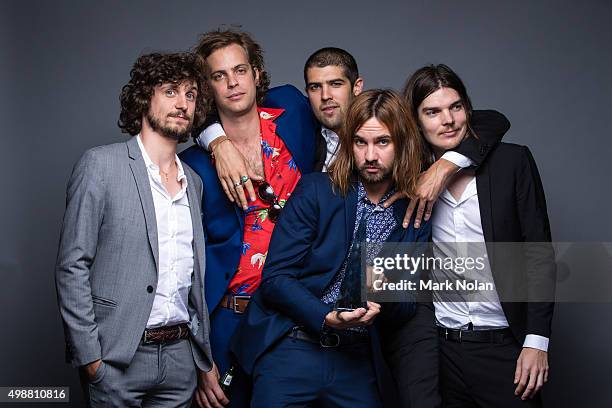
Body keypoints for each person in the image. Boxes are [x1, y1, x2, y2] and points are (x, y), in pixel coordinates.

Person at [230, 89, 436, 407]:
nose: (370, 155)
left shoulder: (411, 212)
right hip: (293, 347)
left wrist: (381, 297)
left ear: (402, 144)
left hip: (356, 359)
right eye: (360, 142)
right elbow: (276, 279)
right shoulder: (317, 190)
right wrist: (326, 316)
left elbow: (408, 304)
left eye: (382, 142)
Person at [199, 47, 511, 229]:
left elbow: (489, 120)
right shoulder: (299, 125)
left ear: (357, 86)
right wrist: (218, 142)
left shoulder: (389, 124)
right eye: (315, 87)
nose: (326, 97)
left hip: (395, 271)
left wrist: (444, 166)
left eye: (335, 84)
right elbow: (227, 103)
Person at [55, 52, 213, 407]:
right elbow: (72, 265)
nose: (182, 103)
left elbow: (193, 278)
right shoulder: (100, 165)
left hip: (180, 359)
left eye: (190, 95)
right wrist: (91, 358)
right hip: (117, 357)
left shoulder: (195, 181)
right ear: (144, 97)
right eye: (171, 91)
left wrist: (200, 356)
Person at [400, 64, 556, 407]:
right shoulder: (409, 179)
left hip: (506, 349)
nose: (449, 120)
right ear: (416, 120)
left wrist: (537, 340)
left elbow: (538, 254)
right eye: (433, 112)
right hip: (439, 352)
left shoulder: (512, 162)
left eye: (455, 107)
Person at [179, 29, 318, 408]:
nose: (233, 83)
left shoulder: (294, 108)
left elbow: (359, 115)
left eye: (240, 70)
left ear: (256, 74)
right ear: (207, 88)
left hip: (296, 314)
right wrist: (198, 355)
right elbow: (182, 266)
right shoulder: (191, 165)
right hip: (229, 319)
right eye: (218, 76)